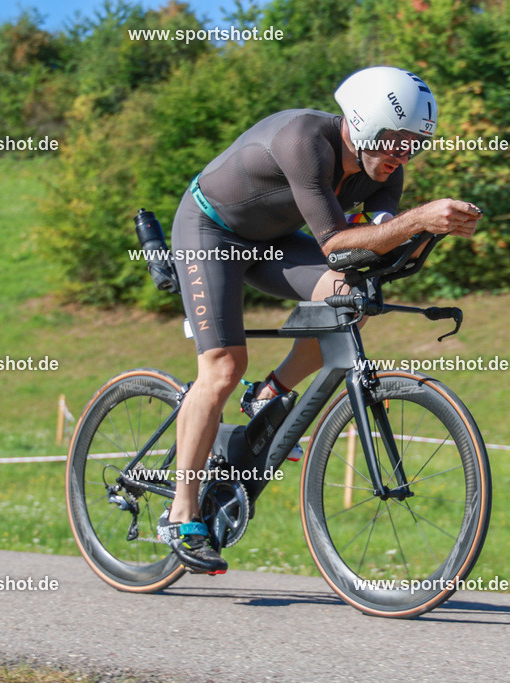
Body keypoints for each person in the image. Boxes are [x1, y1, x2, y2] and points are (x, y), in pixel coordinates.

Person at [155, 65, 482, 573]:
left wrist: (429, 229)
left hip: (271, 241)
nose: (402, 154)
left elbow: (372, 244)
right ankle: (181, 514)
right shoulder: (305, 141)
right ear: (363, 122)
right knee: (222, 366)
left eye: (413, 144)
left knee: (349, 299)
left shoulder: (385, 172)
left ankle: (269, 393)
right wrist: (418, 219)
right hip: (210, 232)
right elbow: (334, 243)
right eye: (395, 139)